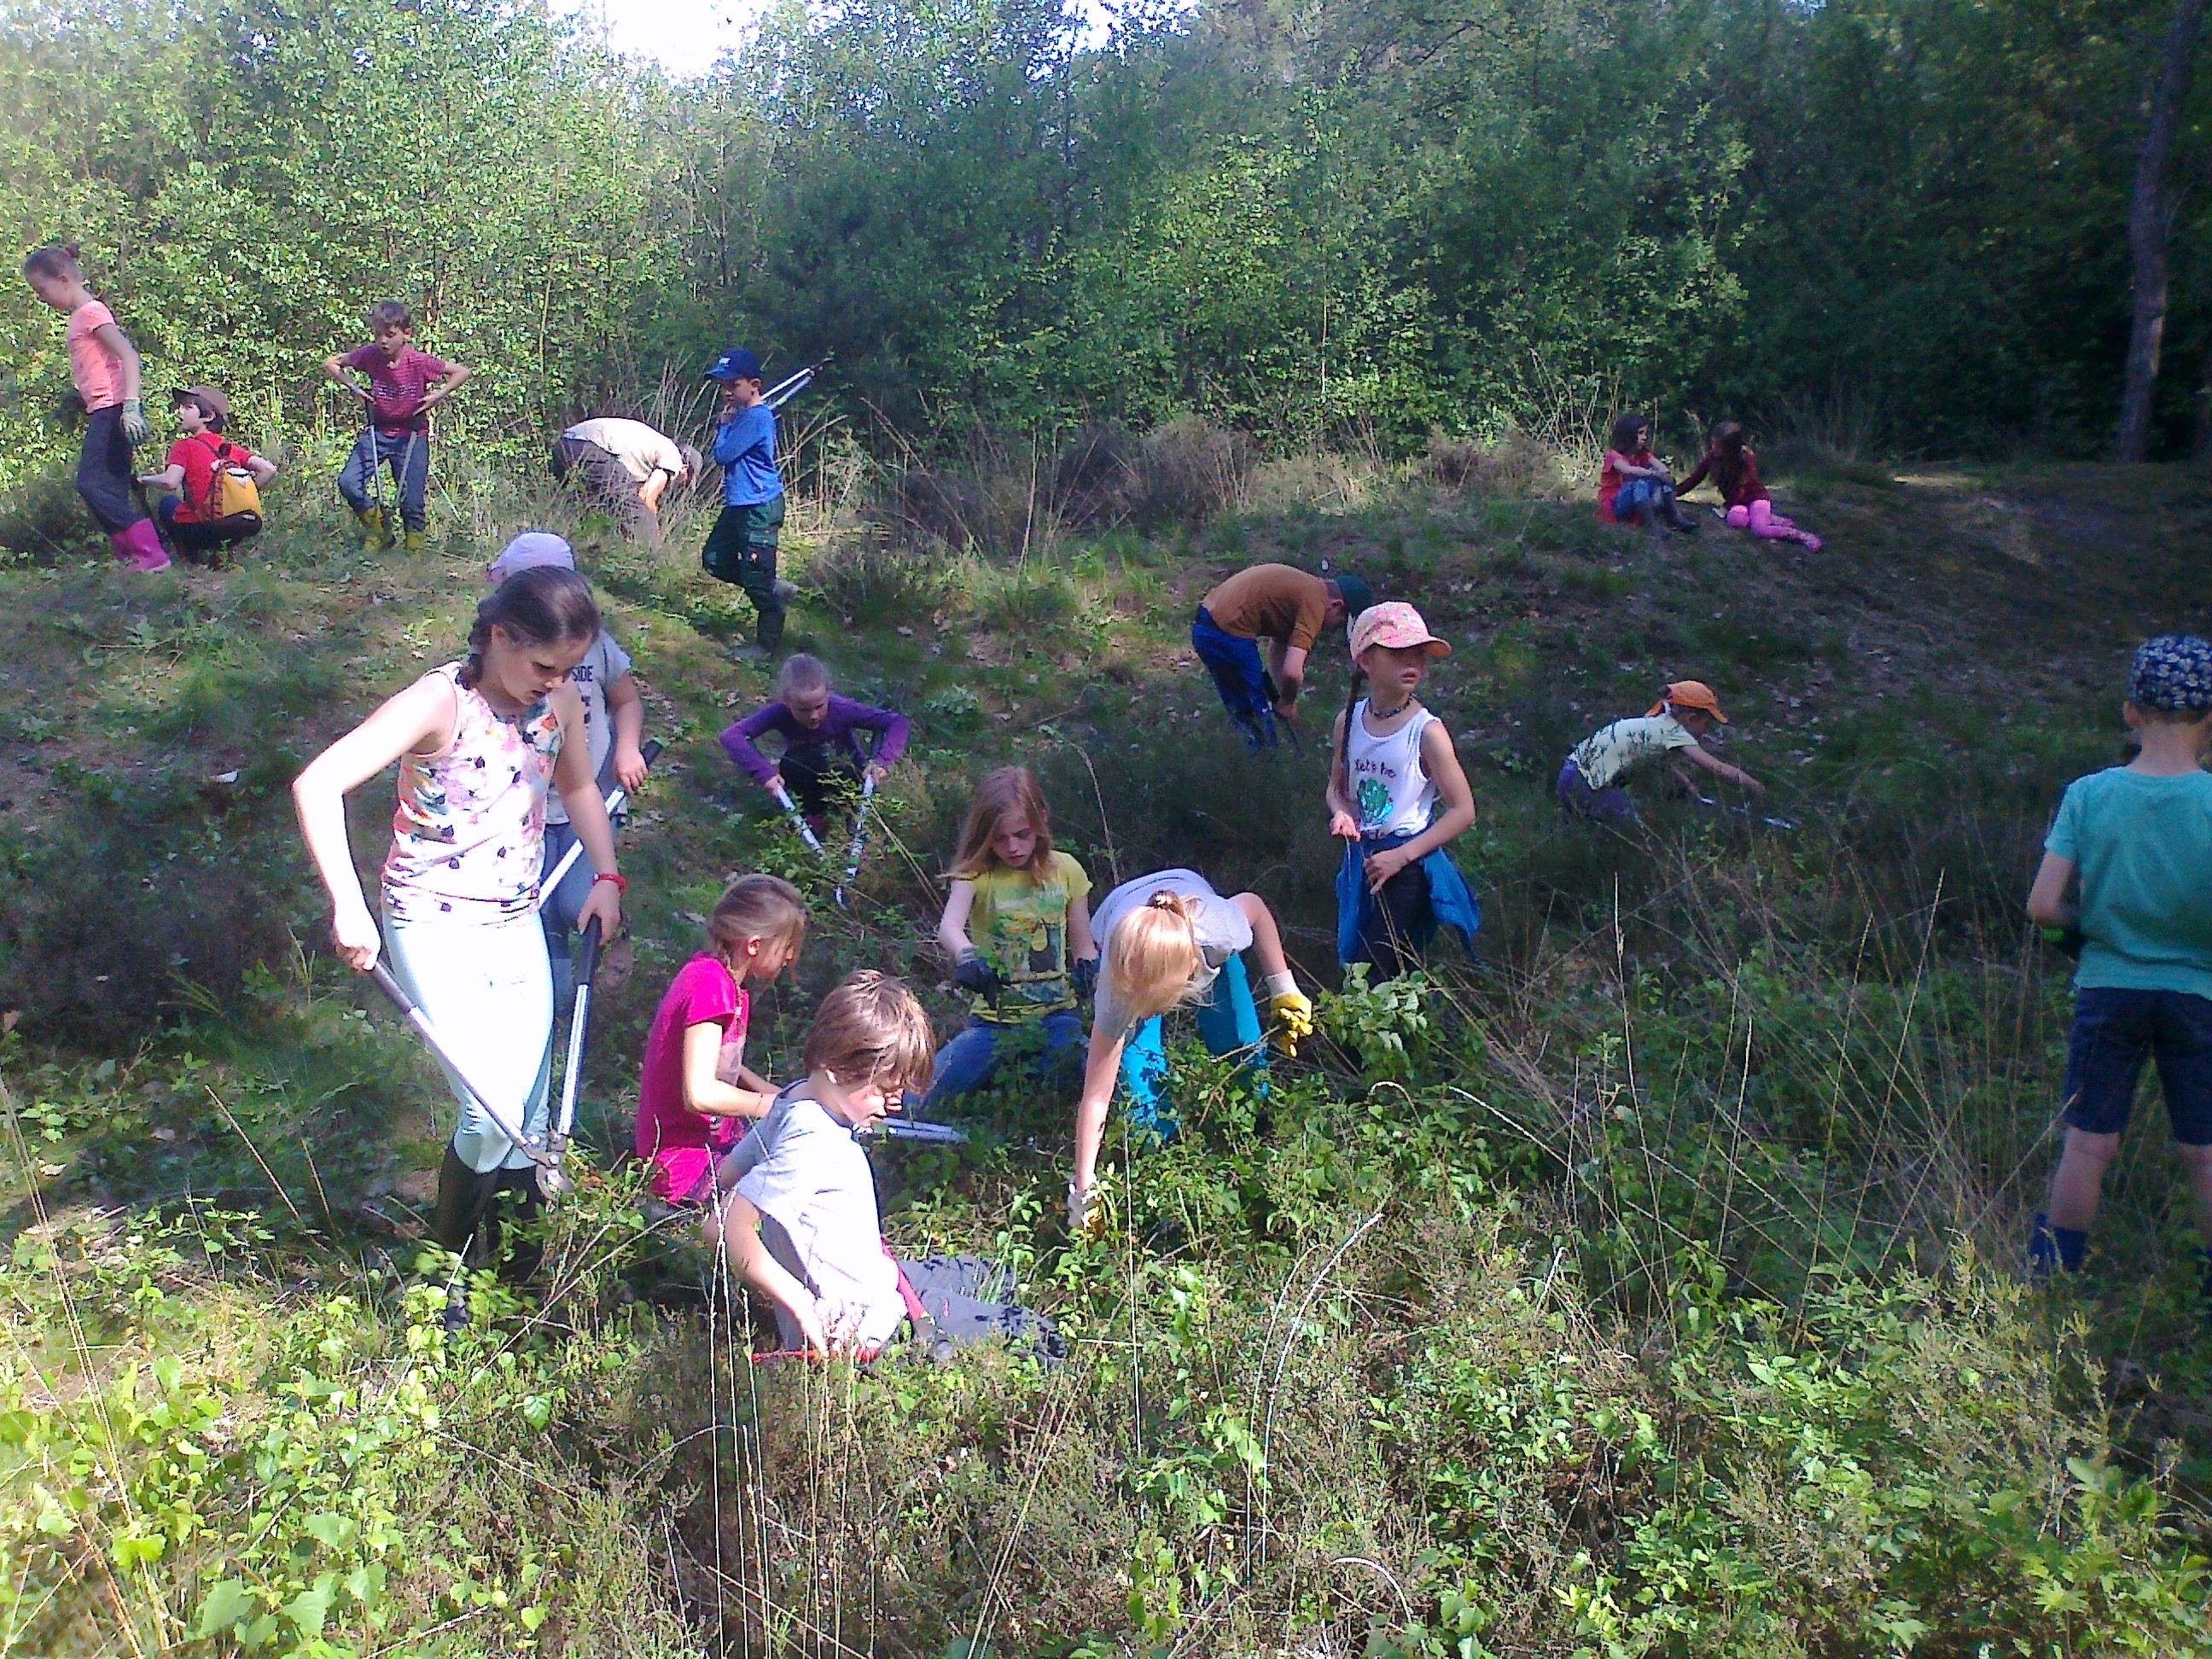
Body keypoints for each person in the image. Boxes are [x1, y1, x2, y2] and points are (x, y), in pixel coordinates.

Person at [291, 565, 624, 1325]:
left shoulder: (561, 702)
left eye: (569, 670)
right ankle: (438, 1282)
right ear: (500, 635)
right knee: (488, 1111)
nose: (554, 683)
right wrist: (348, 905)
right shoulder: (442, 701)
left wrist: (607, 875)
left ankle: (510, 1279)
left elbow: (576, 789)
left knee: (533, 1118)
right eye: (543, 665)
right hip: (431, 920)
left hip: (515, 920)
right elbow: (318, 784)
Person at [713, 970, 1062, 1362]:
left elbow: (722, 1182)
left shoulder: (796, 1098)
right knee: (1039, 1339)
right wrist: (800, 1302)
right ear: (836, 1070)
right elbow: (724, 1225)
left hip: (879, 1276)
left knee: (986, 1274)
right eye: (884, 1089)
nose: (895, 1104)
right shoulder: (813, 1140)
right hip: (873, 1326)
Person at [2026, 636, 2212, 1313]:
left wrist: (2076, 937)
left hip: (2108, 987)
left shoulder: (2089, 795)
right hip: (2199, 996)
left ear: (2131, 712)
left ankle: (2050, 1286)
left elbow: (2044, 905)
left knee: (2089, 1144)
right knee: (2205, 1153)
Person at [1067, 872, 1312, 1231]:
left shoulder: (1218, 931)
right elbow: (1095, 1099)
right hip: (1121, 924)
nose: (1148, 1012)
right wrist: (1083, 1193)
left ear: (1189, 980)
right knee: (1139, 1088)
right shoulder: (1116, 989)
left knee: (1243, 1043)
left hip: (1186, 906)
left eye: (1155, 1005)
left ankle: (1256, 1131)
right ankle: (1164, 1165)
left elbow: (1256, 908)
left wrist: (1284, 989)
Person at [484, 534, 649, 998]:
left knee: (576, 898)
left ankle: (609, 936)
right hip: (527, 807)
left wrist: (627, 748)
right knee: (537, 903)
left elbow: (625, 700)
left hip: (585, 796)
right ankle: (550, 985)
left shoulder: (592, 652)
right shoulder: (501, 667)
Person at [921, 767, 1096, 1116]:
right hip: (993, 1022)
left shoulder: (1067, 870)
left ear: (1041, 820)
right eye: (999, 838)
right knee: (921, 1096)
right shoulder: (977, 874)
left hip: (1057, 1017)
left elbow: (1084, 946)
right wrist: (967, 957)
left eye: (1021, 834)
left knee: (1094, 1081)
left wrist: (1090, 971)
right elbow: (949, 928)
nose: (1012, 847)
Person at [1325, 603, 1480, 981]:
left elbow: (1464, 810)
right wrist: (1341, 813)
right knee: (1375, 970)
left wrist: (1402, 857)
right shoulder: (1348, 721)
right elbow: (1337, 789)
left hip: (1407, 866)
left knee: (1372, 973)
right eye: (1397, 653)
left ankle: (1363, 1040)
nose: (1412, 663)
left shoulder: (1426, 732)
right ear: (1366, 661)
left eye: (1419, 654)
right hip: (1362, 860)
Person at [634, 875, 807, 1205]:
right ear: (754, 944)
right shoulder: (710, 986)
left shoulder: (728, 985)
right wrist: (775, 1107)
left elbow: (727, 1067)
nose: (789, 958)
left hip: (715, 1142)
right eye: (787, 947)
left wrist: (796, 1099)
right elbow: (699, 1094)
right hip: (682, 1164)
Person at [22, 243, 165, 572]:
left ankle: (150, 554)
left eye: (41, 290)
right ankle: (131, 556)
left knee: (90, 483)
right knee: (111, 486)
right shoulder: (80, 317)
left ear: (62, 279)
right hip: (101, 408)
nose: (41, 298)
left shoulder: (91, 313)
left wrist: (131, 407)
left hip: (112, 408)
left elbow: (128, 355)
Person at [325, 300, 471, 554]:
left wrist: (438, 395)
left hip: (412, 435)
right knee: (348, 482)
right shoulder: (370, 355)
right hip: (377, 432)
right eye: (378, 334)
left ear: (406, 334)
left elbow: (462, 372)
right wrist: (355, 388)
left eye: (390, 335)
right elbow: (331, 363)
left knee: (411, 502)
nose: (383, 341)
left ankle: (413, 553)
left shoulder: (418, 361)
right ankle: (380, 530)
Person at [719, 654, 909, 838]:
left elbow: (897, 722)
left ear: (828, 693)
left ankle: (848, 819)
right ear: (787, 701)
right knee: (794, 762)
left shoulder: (842, 709)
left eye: (819, 706)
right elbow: (731, 736)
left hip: (847, 775)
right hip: (807, 775)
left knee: (834, 762)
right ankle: (815, 818)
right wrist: (764, 773)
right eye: (803, 710)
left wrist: (882, 761)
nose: (813, 716)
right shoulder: (778, 713)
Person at [1190, 563, 1372, 748]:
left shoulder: (1306, 590)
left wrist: (1282, 698)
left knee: (1243, 702)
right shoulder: (1315, 603)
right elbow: (1293, 672)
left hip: (1209, 623)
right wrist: (1288, 701)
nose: (1334, 629)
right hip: (1226, 632)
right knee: (1255, 710)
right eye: (1340, 623)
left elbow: (1279, 646)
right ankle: (1265, 764)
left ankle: (1254, 756)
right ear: (1336, 605)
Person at [1557, 681, 1763, 826]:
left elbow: (1659, 762)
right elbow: (1716, 768)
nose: (1706, 731)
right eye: (1706, 724)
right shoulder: (1674, 733)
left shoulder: (1655, 724)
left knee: (1589, 825)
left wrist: (1687, 786)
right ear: (1691, 718)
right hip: (1588, 786)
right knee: (1633, 835)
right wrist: (1755, 786)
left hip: (1569, 775)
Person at [699, 348, 795, 660]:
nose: (726, 392)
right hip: (738, 504)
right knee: (715, 559)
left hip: (759, 507)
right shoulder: (744, 414)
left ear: (754, 384)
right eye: (722, 386)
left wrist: (724, 426)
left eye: (733, 385)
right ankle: (771, 586)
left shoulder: (756, 418)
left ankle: (766, 646)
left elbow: (723, 455)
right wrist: (729, 421)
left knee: (756, 575)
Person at [135, 387, 276, 565]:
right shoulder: (230, 448)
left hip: (198, 529)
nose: (180, 411)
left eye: (188, 407)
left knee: (167, 503)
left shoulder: (185, 445)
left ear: (208, 416)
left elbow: (170, 482)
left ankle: (189, 556)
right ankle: (222, 554)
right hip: (233, 526)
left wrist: (144, 480)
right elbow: (269, 469)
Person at [550, 416, 702, 545]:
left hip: (565, 444)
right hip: (587, 447)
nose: (679, 487)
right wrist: (654, 532)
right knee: (639, 511)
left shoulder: (653, 447)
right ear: (685, 468)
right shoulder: (674, 458)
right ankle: (650, 560)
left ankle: (580, 549)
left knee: (590, 508)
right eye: (685, 483)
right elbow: (646, 496)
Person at [1677, 422, 1823, 551]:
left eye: (1718, 446)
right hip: (1738, 503)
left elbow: (1741, 488)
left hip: (1755, 499)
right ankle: (1770, 518)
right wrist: (1673, 493)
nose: (1713, 448)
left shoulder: (1745, 458)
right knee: (1736, 520)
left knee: (1760, 530)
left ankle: (1801, 536)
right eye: (1712, 444)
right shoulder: (1713, 458)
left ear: (1730, 448)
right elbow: (1695, 478)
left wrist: (1726, 507)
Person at [1598, 412, 1698, 533]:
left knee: (1663, 480)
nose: (1645, 437)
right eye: (1640, 433)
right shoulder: (1613, 455)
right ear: (1628, 434)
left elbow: (1663, 469)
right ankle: (1651, 525)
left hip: (1639, 501)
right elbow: (1628, 470)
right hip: (1616, 505)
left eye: (1645, 433)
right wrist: (1654, 474)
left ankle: (1675, 517)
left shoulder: (1642, 455)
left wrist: (1664, 476)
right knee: (1638, 483)